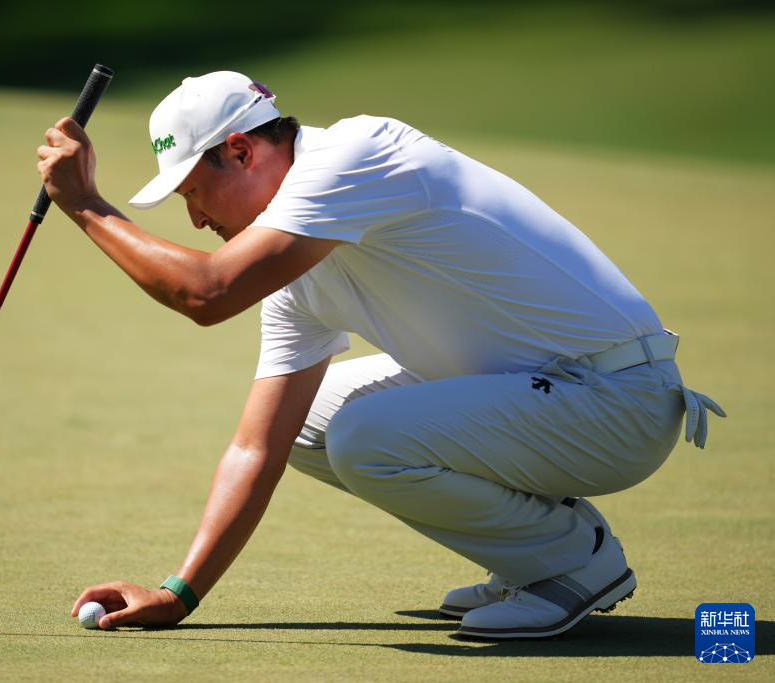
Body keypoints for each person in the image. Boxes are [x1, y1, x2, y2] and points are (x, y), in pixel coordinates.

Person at [36, 71, 725, 639]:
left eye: (193, 191)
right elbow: (257, 445)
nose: (195, 218)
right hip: (548, 396)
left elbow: (206, 293)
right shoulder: (294, 270)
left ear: (241, 151)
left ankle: (571, 562)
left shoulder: (355, 153)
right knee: (310, 424)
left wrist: (85, 204)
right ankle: (534, 550)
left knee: (364, 434)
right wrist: (178, 593)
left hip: (616, 401)